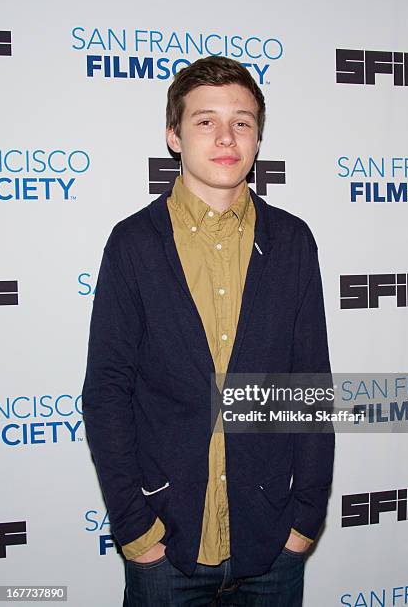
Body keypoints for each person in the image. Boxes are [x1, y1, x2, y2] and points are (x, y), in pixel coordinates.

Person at [82, 55, 335, 606]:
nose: (226, 136)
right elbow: (107, 394)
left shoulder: (293, 242)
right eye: (205, 121)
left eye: (241, 121)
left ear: (258, 137)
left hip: (272, 548)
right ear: (174, 135)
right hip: (165, 550)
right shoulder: (133, 245)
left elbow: (310, 386)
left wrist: (304, 522)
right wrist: (135, 532)